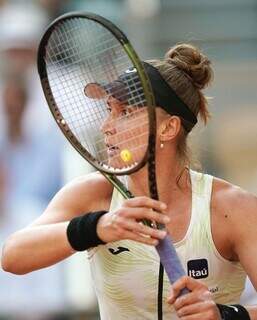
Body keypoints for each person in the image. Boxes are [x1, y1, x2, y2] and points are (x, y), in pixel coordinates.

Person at [1, 43, 257, 320]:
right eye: (109, 109)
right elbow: (13, 255)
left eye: (124, 112)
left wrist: (227, 315)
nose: (106, 126)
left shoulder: (232, 208)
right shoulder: (93, 193)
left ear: (168, 127)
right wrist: (97, 227)